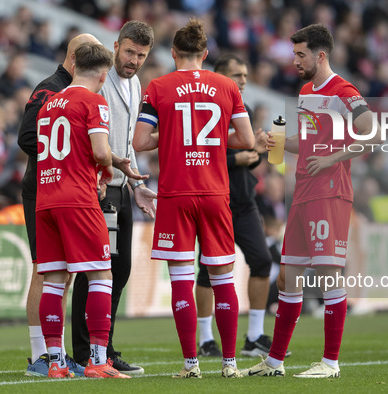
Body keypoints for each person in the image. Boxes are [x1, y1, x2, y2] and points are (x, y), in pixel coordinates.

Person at [243, 23, 375, 379]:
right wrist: (276, 143)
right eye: (294, 54)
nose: (295, 60)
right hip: (302, 192)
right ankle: (274, 362)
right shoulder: (305, 91)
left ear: (320, 55)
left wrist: (333, 158)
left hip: (330, 191)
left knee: (330, 274)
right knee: (288, 278)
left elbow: (372, 132)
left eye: (300, 54)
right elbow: (306, 142)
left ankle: (330, 363)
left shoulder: (343, 91)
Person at [133, 18, 255, 379]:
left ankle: (191, 365)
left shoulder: (158, 86)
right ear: (205, 54)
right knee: (223, 280)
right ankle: (230, 364)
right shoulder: (227, 86)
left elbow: (140, 142)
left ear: (173, 54)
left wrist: (171, 138)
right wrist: (216, 138)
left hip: (176, 195)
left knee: (183, 281)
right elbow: (247, 140)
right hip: (215, 193)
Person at [36, 42, 129, 379]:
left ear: (74, 67)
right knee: (101, 276)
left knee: (54, 282)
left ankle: (57, 363)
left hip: (45, 199)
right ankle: (98, 360)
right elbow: (102, 152)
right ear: (103, 75)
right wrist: (105, 172)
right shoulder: (93, 101)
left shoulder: (48, 104)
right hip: (77, 199)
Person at [71, 20, 155, 375]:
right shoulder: (98, 81)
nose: (134, 60)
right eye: (130, 52)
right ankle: (84, 352)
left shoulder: (135, 84)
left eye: (141, 55)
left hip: (120, 190)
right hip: (99, 188)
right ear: (117, 44)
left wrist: (137, 187)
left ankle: (102, 348)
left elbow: (124, 145)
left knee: (117, 271)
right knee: (96, 271)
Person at [18, 33, 100, 378]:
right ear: (74, 59)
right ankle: (41, 354)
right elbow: (26, 137)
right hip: (43, 188)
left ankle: (57, 355)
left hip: (61, 190)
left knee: (61, 275)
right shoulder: (49, 88)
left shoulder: (75, 92)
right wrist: (64, 160)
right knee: (45, 269)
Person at [195, 53, 275, 358]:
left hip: (243, 199)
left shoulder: (245, 108)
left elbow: (248, 155)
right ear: (218, 75)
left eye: (244, 75)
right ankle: (205, 338)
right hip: (216, 199)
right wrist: (236, 158)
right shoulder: (204, 108)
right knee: (208, 270)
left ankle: (254, 335)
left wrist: (257, 151)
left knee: (262, 260)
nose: (243, 80)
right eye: (236, 75)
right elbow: (199, 153)